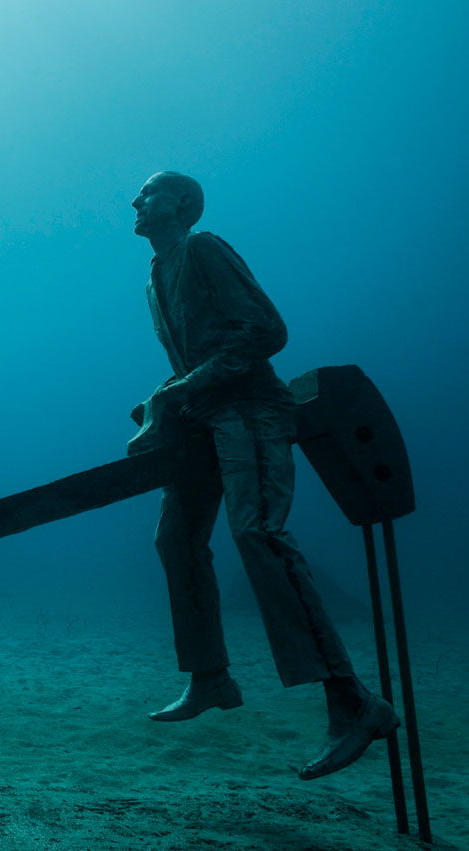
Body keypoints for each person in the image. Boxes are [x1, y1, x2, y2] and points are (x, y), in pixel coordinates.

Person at [125, 172, 398, 780]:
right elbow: (192, 362)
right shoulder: (153, 277)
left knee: (259, 533)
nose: (136, 202)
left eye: (149, 192)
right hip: (203, 419)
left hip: (249, 408)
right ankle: (210, 676)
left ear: (184, 205)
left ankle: (355, 703)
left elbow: (267, 331)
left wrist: (175, 393)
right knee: (175, 538)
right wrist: (169, 401)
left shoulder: (203, 247)